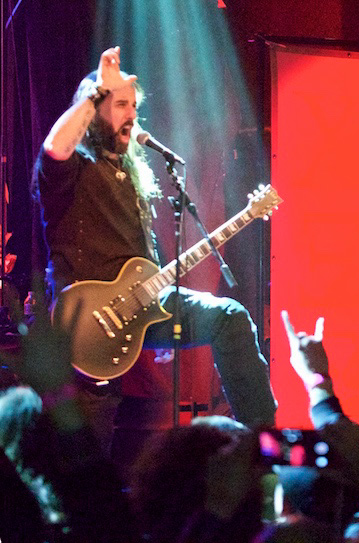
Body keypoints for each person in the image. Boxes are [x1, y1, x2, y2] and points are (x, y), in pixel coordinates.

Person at [32, 46, 277, 450]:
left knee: (229, 317)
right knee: (85, 443)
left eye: (134, 106)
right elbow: (55, 148)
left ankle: (262, 443)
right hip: (83, 320)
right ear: (92, 113)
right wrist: (97, 92)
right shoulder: (74, 168)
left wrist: (155, 314)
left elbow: (143, 262)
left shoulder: (131, 174)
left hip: (143, 306)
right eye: (120, 105)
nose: (131, 115)